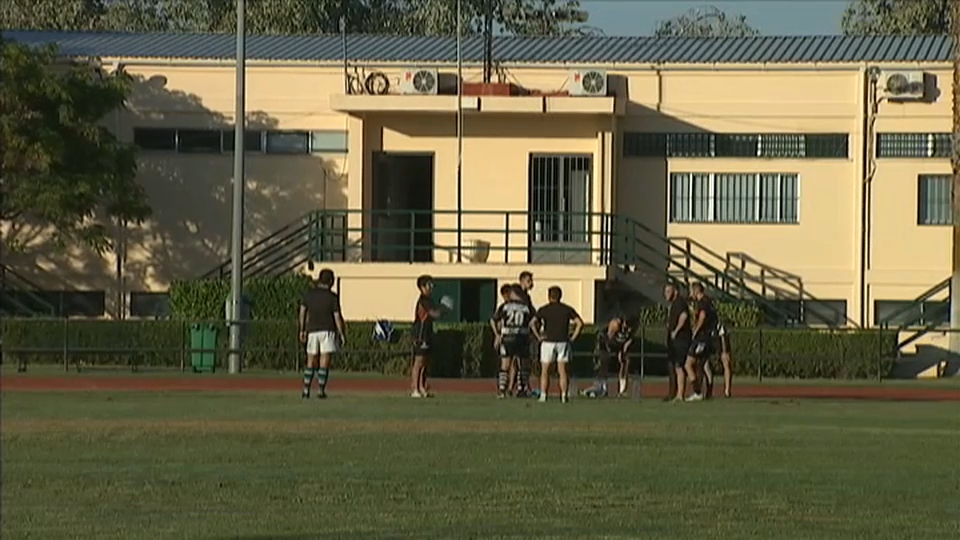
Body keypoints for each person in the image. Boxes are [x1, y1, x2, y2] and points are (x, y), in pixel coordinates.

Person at [298, 268, 346, 399]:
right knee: (324, 361)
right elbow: (337, 317)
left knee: (311, 360)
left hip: (312, 330)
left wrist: (302, 330)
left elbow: (302, 313)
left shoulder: (308, 294)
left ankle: (306, 389)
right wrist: (341, 333)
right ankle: (320, 390)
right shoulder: (332, 297)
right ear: (330, 281)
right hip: (327, 330)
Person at [532, 286, 584, 403]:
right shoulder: (567, 309)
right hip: (563, 341)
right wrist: (573, 338)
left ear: (549, 296)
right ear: (560, 296)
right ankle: (564, 395)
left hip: (548, 342)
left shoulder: (544, 309)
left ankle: (544, 395)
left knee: (545, 370)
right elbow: (579, 323)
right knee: (562, 370)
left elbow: (532, 323)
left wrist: (538, 336)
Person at [491, 285, 536, 399]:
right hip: (522, 337)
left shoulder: (505, 306)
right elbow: (534, 321)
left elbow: (493, 319)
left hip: (508, 337)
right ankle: (522, 389)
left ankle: (502, 390)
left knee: (505, 364)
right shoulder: (526, 307)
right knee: (523, 364)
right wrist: (533, 334)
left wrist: (497, 334)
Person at [411, 275, 450, 398]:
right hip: (420, 334)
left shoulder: (429, 299)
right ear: (422, 287)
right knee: (419, 361)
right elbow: (434, 313)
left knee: (425, 362)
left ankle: (422, 387)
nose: (431, 286)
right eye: (428, 284)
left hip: (427, 333)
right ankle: (415, 388)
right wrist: (444, 309)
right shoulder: (423, 300)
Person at [681, 282, 718, 402]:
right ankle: (709, 392)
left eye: (691, 290)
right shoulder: (709, 302)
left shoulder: (702, 303)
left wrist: (695, 331)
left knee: (688, 364)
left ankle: (697, 392)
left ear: (696, 291)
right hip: (708, 337)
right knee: (704, 364)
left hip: (701, 338)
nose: (690, 293)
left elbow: (702, 317)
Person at [583, 314, 634, 398]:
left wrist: (623, 351)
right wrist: (608, 351)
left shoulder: (633, 326)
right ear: (623, 322)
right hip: (605, 341)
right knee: (604, 361)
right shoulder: (615, 324)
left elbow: (630, 339)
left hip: (619, 343)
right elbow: (608, 338)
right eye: (626, 325)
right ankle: (603, 388)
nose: (627, 328)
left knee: (625, 361)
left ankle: (622, 390)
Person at [664, 283, 691, 402]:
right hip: (675, 341)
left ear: (675, 291)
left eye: (668, 291)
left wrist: (676, 330)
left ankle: (680, 394)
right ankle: (675, 393)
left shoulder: (679, 303)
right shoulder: (674, 304)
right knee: (676, 366)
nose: (666, 294)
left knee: (679, 366)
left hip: (681, 340)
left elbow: (684, 316)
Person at [514, 271, 537, 396]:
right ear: (522, 281)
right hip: (517, 333)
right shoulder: (518, 294)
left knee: (523, 361)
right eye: (529, 281)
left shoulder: (527, 297)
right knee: (517, 362)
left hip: (524, 332)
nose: (531, 283)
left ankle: (522, 387)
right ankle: (518, 387)